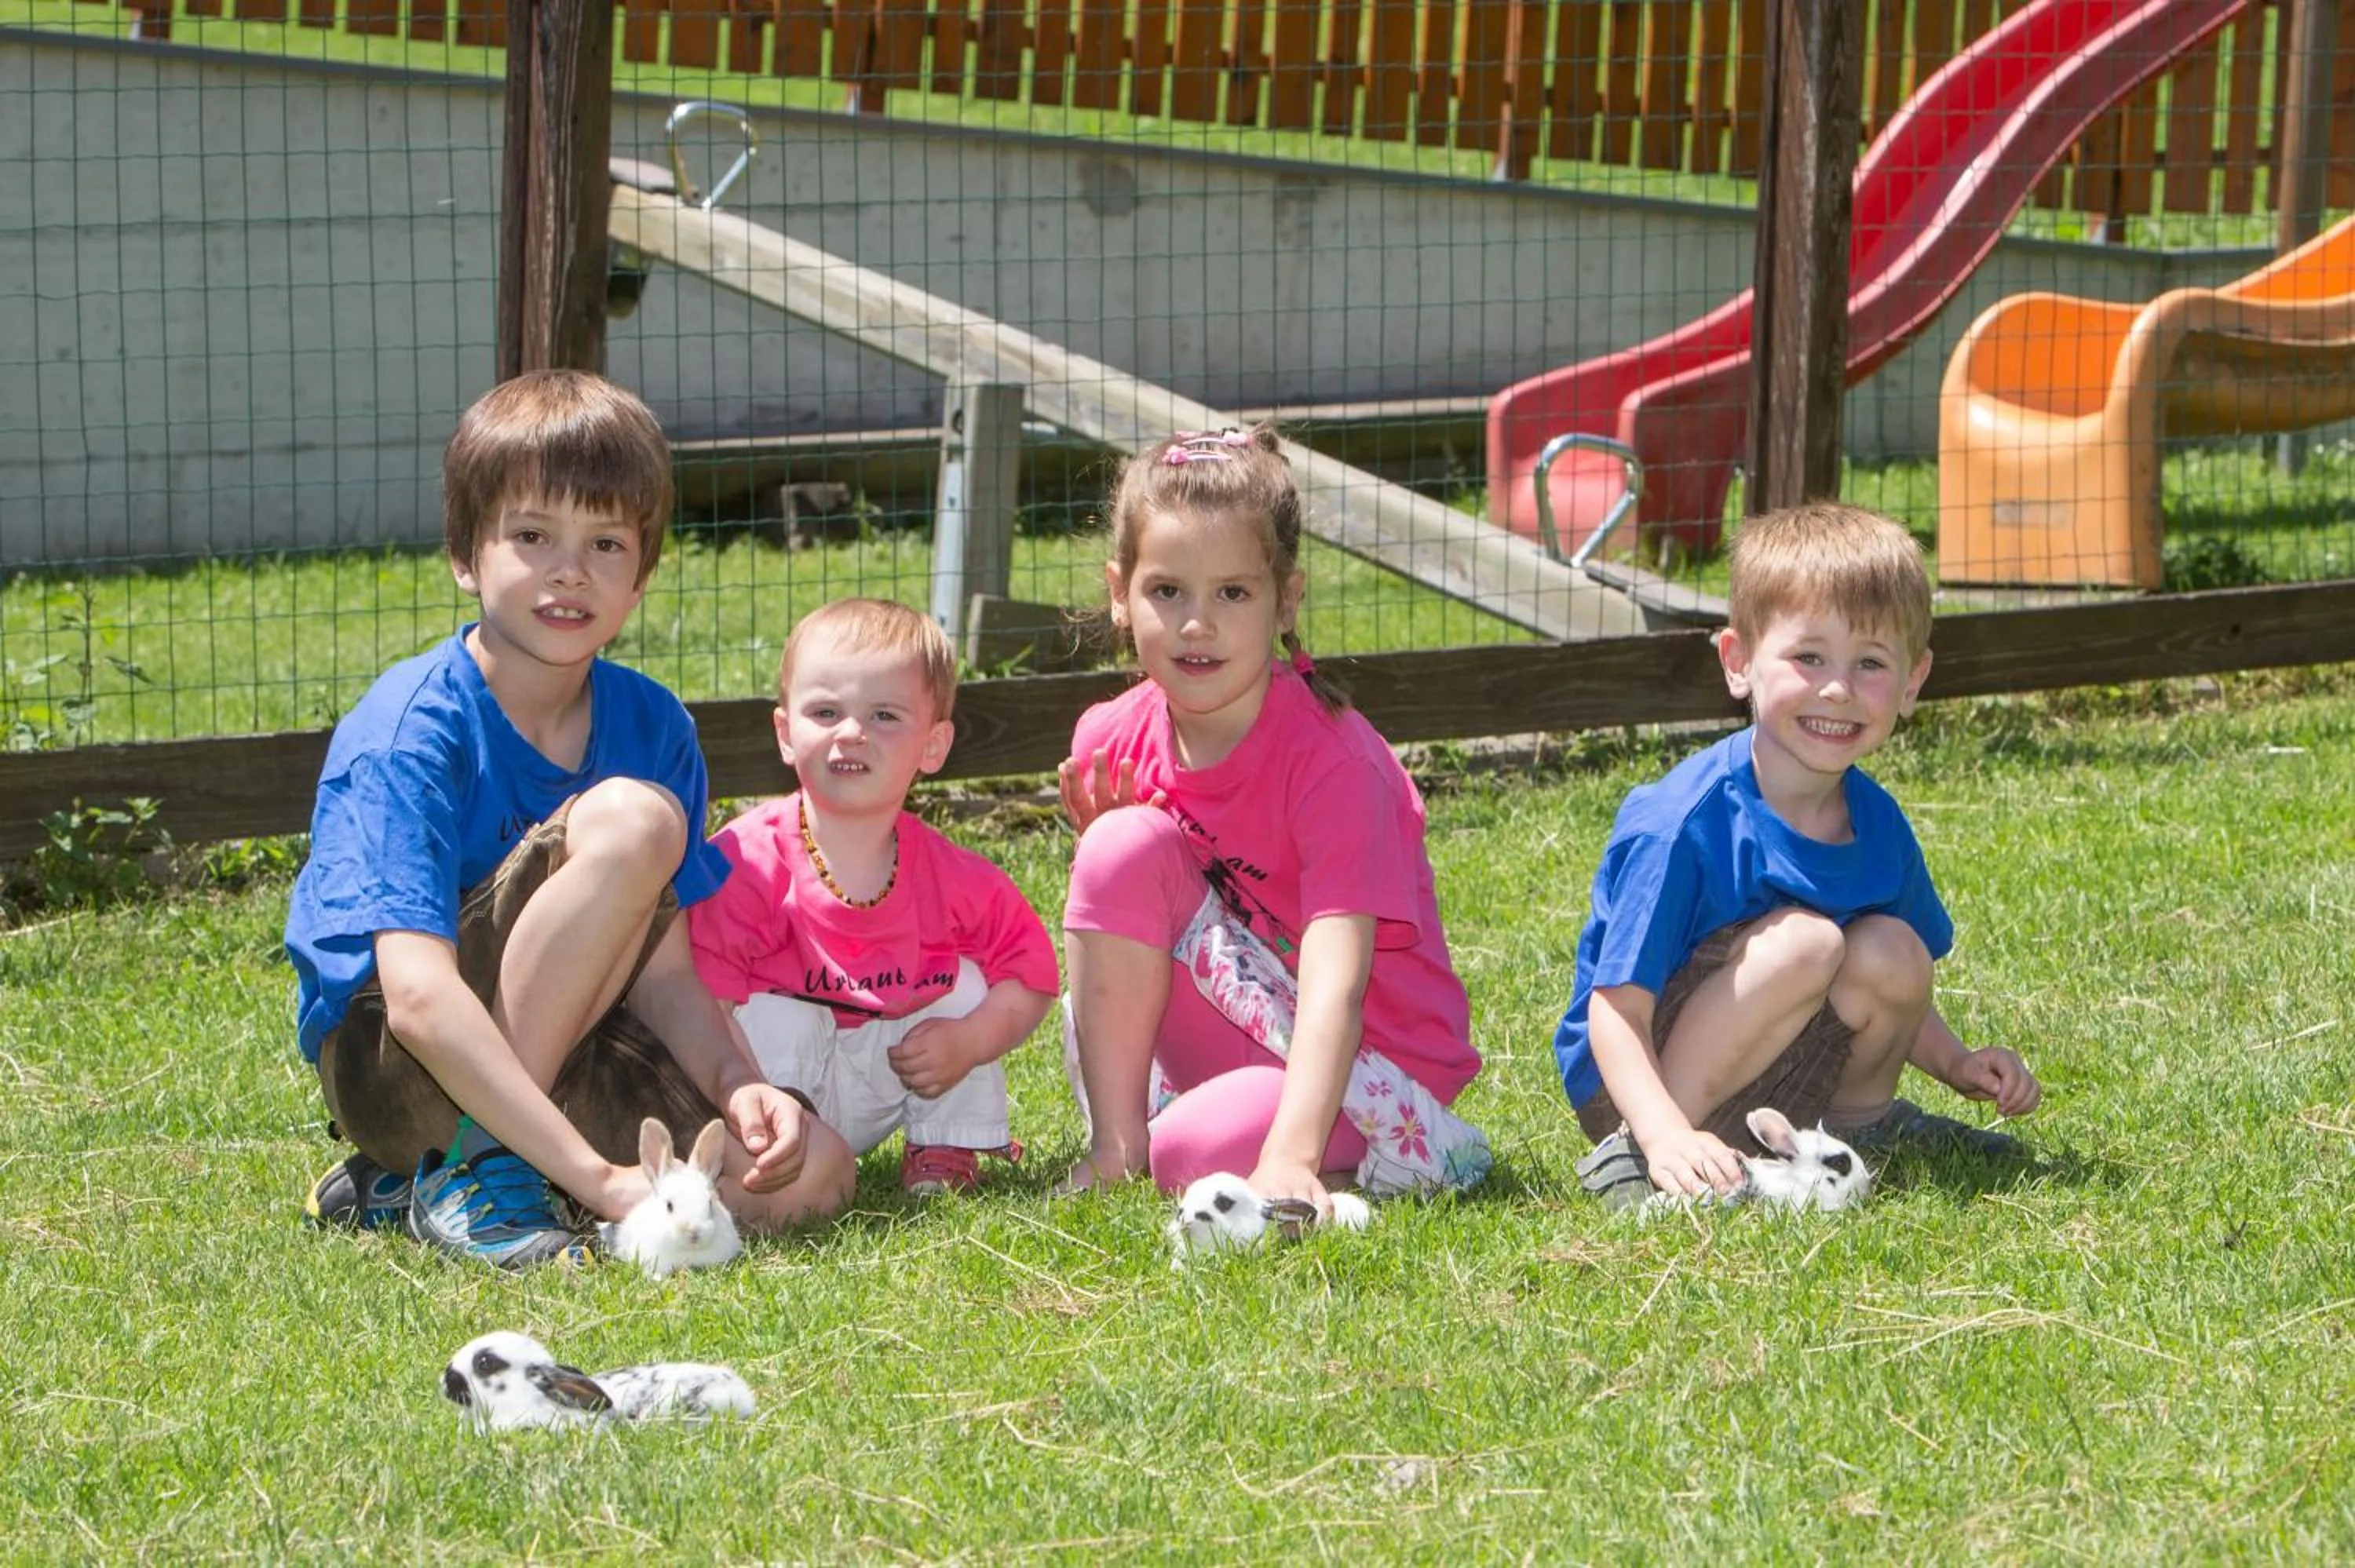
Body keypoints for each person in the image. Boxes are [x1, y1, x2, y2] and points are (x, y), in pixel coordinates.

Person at [286, 370, 856, 1268]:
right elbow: (418, 999)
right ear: (467, 555)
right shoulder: (407, 734)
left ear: (642, 576)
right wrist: (601, 1176)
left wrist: (742, 1085)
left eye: (605, 543)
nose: (568, 571)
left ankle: (422, 1189)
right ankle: (473, 1165)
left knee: (812, 1174)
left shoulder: (655, 726)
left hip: (573, 1043)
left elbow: (664, 978)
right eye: (531, 536)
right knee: (634, 821)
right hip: (401, 1064)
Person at [1555, 501, 2042, 1209]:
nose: (1838, 689)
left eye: (1871, 663)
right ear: (1740, 662)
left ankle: (1856, 1131)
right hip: (1641, 1084)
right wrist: (1658, 1132)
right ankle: (1639, 1163)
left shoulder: (1876, 822)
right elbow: (1615, 1011)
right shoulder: (1680, 822)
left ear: (1913, 682)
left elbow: (1900, 992)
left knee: (1895, 949)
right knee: (1807, 943)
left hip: (1778, 1075)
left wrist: (1957, 1063)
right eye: (1808, 657)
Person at [1056, 428, 1490, 1215]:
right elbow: (1120, 938)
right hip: (1234, 1036)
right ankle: (1116, 1150)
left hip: (1367, 1069)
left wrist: (1290, 1155)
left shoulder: (1335, 767)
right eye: (1167, 591)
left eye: (1233, 592)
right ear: (1119, 593)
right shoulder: (1109, 742)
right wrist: (1115, 862)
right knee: (1120, 845)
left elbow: (1337, 982)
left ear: (1286, 598)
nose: (1197, 624)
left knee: (1193, 1149)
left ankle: (1360, 1154)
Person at [688, 598, 1059, 1196]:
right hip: (770, 1089)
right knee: (768, 1008)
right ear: (786, 733)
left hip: (893, 1076)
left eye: (884, 715)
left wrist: (969, 1042)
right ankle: (780, 1150)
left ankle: (945, 1146)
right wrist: (743, 1096)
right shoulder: (744, 862)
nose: (852, 733)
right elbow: (704, 1005)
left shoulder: (952, 875)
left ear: (933, 747)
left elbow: (1033, 975)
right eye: (826, 711)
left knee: (967, 983)